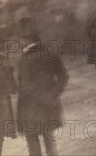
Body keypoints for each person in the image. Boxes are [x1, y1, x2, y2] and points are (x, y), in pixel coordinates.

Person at [17, 18, 68, 156]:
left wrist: (42, 98)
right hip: (49, 104)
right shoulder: (50, 53)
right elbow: (63, 76)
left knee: (33, 141)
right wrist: (53, 94)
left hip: (31, 108)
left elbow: (26, 85)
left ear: (25, 40)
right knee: (49, 140)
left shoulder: (25, 60)